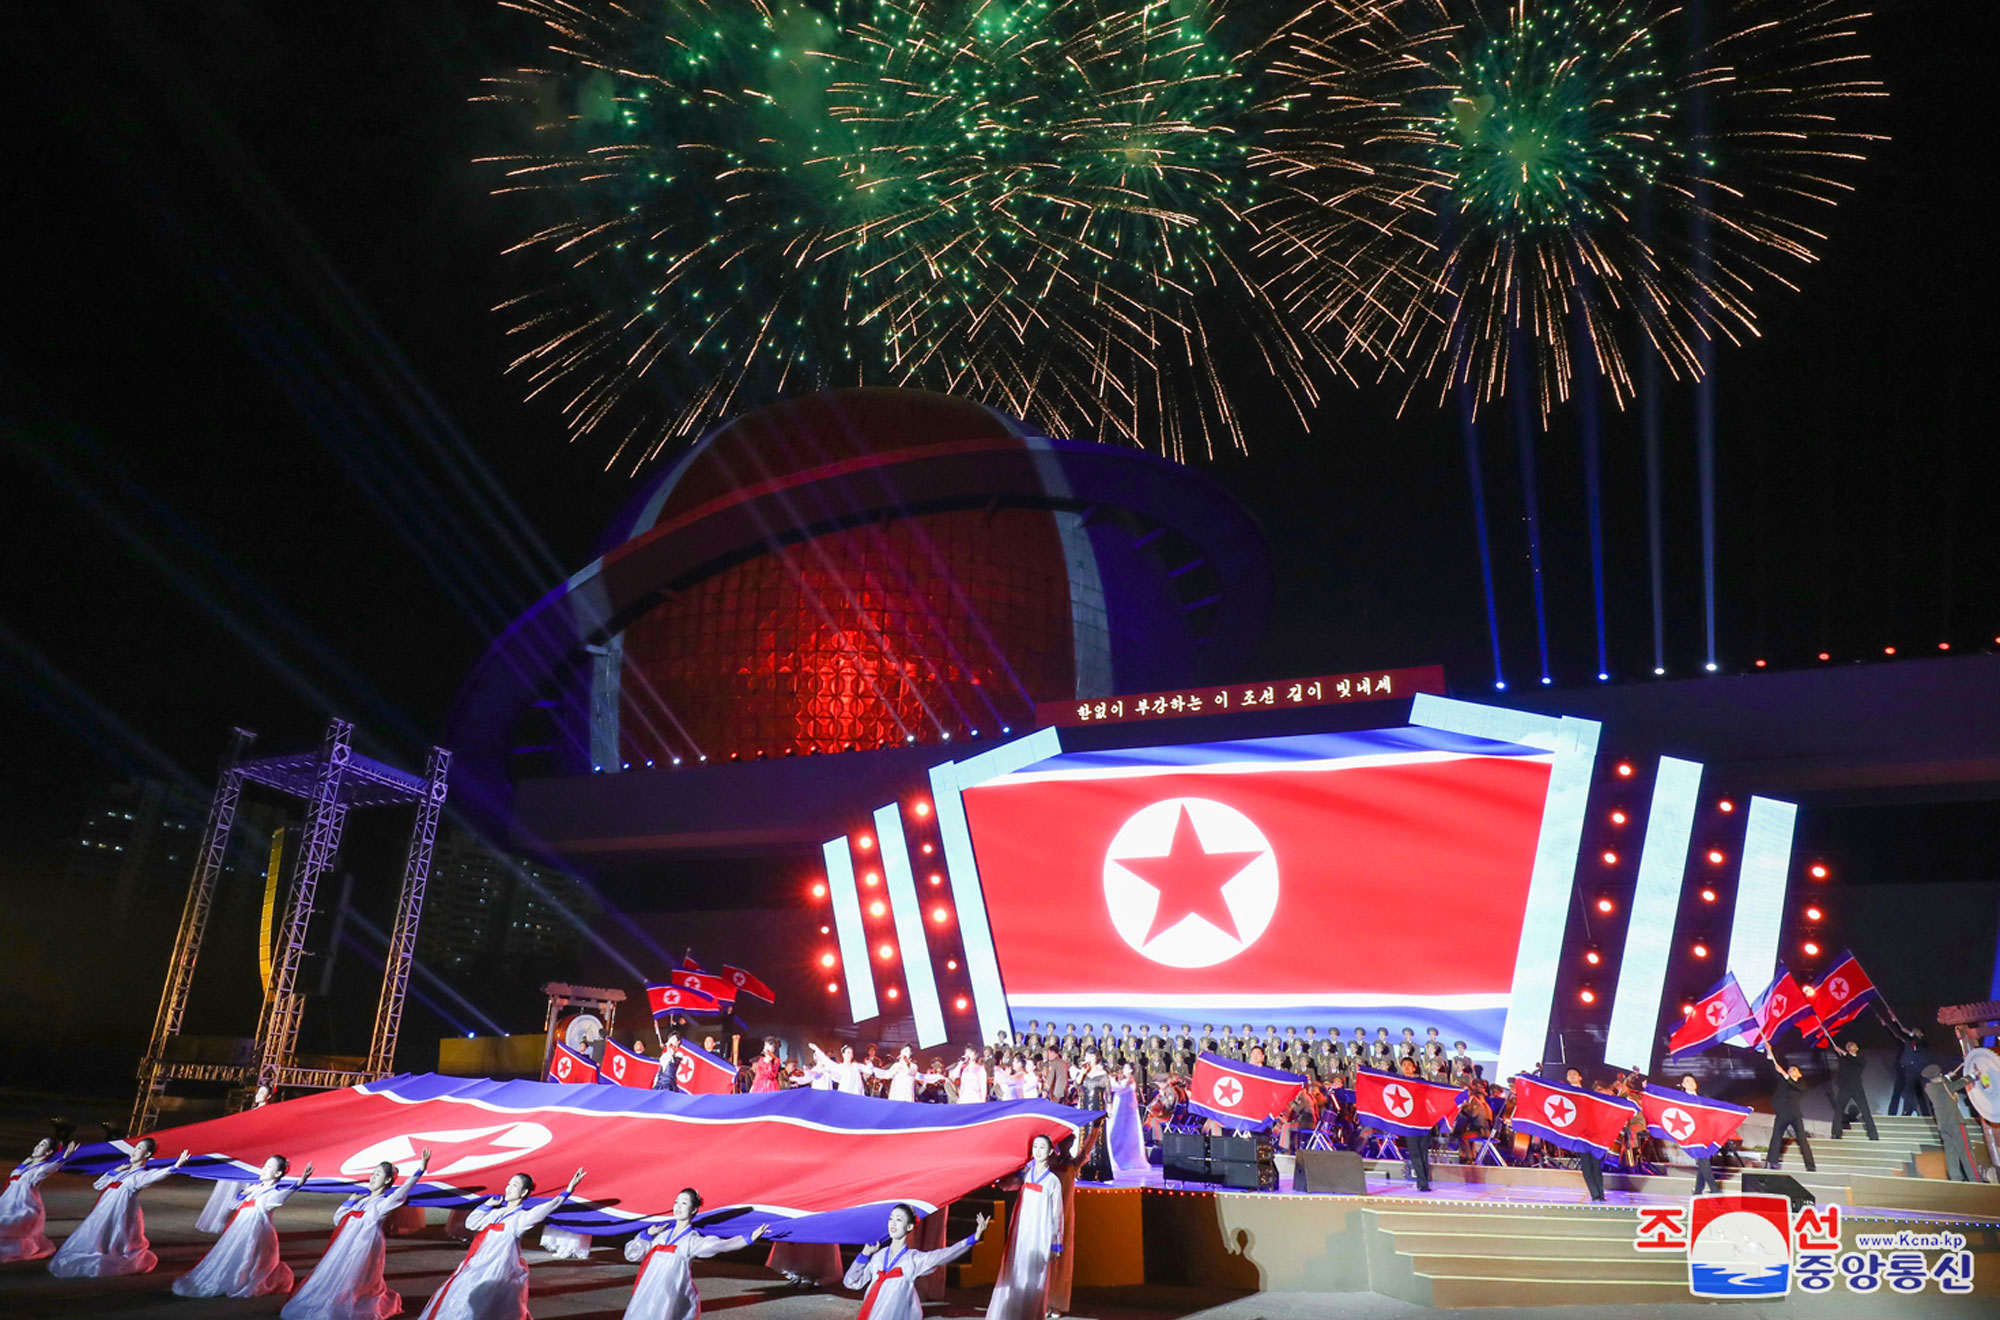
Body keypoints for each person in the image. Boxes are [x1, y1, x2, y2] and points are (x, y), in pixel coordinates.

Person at [416, 1167, 585, 1320]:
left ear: (524, 1192)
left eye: (515, 1185)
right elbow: (471, 1223)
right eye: (509, 1184)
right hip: (477, 1265)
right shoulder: (496, 1213)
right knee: (461, 1300)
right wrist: (487, 1205)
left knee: (488, 1308)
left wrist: (568, 1191)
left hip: (498, 1271)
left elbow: (548, 1207)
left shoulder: (521, 1219)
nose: (509, 1188)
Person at [283, 1148, 431, 1320]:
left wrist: (420, 1170)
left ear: (388, 1180)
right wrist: (349, 1201)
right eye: (373, 1173)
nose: (373, 1177)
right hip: (344, 1245)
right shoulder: (360, 1201)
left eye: (378, 1174)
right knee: (335, 1274)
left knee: (353, 1279)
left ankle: (344, 1304)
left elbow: (401, 1192)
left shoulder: (382, 1204)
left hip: (363, 1246)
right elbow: (339, 1220)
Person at [174, 1154, 315, 1298]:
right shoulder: (255, 1188)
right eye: (265, 1165)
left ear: (278, 1173)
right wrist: (246, 1192)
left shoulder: (273, 1192)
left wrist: (300, 1182)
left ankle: (242, 1281)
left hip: (256, 1231)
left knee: (249, 1258)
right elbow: (234, 1204)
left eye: (269, 1167)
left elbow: (283, 1195)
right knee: (232, 1255)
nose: (264, 1169)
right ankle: (233, 1278)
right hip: (240, 1228)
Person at [49, 1137, 190, 1276]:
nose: (134, 1151)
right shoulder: (122, 1172)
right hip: (104, 1209)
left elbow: (153, 1176)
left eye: (139, 1148)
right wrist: (116, 1170)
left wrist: (174, 1167)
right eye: (135, 1148)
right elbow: (98, 1185)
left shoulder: (139, 1176)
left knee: (115, 1235)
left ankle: (111, 1256)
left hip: (120, 1210)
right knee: (99, 1234)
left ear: (147, 1154)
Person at [622, 1187, 767, 1319]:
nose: (678, 1207)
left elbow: (720, 1245)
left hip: (668, 1300)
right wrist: (647, 1234)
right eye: (676, 1202)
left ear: (693, 1210)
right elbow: (632, 1255)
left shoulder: (691, 1241)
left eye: (684, 1203)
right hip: (645, 1296)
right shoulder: (661, 1236)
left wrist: (748, 1238)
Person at [986, 1134, 1083, 1320]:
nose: (1038, 1151)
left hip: (1042, 1231)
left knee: (1036, 1274)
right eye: (1035, 1147)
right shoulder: (1025, 1175)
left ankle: (1031, 1313)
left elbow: (1057, 1215)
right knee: (1018, 1268)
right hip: (1022, 1230)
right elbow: (1004, 1186)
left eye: (1042, 1148)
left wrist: (1056, 1244)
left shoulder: (1052, 1181)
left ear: (1048, 1152)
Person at [845, 1204, 987, 1320]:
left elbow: (943, 1255)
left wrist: (973, 1239)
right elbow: (851, 1282)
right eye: (891, 1219)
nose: (893, 1223)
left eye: (899, 1220)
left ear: (909, 1227)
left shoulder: (912, 1260)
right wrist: (864, 1255)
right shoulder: (878, 1257)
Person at [0, 1138, 77, 1262]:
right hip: (7, 1202)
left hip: (22, 1205)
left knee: (7, 1226)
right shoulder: (26, 1164)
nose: (37, 1146)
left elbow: (50, 1169)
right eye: (38, 1143)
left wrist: (64, 1157)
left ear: (48, 1152)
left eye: (42, 1145)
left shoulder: (40, 1169)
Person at [1922, 1064, 1981, 1181]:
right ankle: (1975, 1179)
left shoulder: (1929, 1088)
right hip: (1955, 1123)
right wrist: (1973, 1076)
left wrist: (1948, 1077)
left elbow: (1943, 1083)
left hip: (1943, 1126)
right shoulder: (1944, 1088)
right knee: (1966, 1153)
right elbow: (1958, 1084)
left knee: (1951, 1154)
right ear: (1939, 1075)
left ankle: (1956, 1179)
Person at [1763, 1047, 1816, 1172]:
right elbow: (1773, 1069)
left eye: (1794, 1069)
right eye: (1789, 1069)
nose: (1790, 1070)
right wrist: (1769, 1053)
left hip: (1795, 1115)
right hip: (1782, 1113)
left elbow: (1794, 1084)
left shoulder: (1801, 1084)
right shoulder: (1783, 1080)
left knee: (1802, 1140)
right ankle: (1772, 1162)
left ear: (1799, 1074)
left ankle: (1810, 1165)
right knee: (1776, 1137)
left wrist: (1785, 1074)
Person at [1672, 1077, 1721, 1195]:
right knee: (1703, 1158)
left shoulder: (1704, 1097)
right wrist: (1647, 1088)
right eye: (1688, 1081)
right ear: (1683, 1084)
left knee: (1703, 1159)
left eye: (1693, 1081)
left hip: (1705, 1132)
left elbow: (1716, 1109)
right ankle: (1714, 1189)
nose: (1691, 1083)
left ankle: (1698, 1190)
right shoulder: (1680, 1098)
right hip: (1692, 1134)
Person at [1395, 1058, 1437, 1192]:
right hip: (1409, 1124)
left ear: (1414, 1068)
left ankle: (1424, 1182)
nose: (1406, 1067)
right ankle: (1422, 1182)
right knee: (1415, 1153)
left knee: (1423, 1153)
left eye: (1409, 1065)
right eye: (1404, 1065)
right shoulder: (1398, 1083)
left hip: (1424, 1122)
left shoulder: (1421, 1082)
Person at [1825, 1039, 1880, 1140]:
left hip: (1857, 1088)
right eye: (1848, 1045)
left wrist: (1843, 1052)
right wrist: (1836, 1048)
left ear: (1857, 1048)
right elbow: (1840, 1054)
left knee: (1865, 1111)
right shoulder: (1844, 1058)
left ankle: (1873, 1135)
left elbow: (1854, 1060)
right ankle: (1836, 1133)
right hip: (1845, 1088)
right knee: (1838, 1110)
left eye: (1852, 1045)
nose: (1850, 1045)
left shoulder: (1860, 1060)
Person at [1104, 1064, 1147, 1179]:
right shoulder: (1125, 1079)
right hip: (1121, 1107)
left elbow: (1119, 1088)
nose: (1123, 1069)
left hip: (1124, 1109)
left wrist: (1109, 1079)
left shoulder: (1129, 1079)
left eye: (1125, 1068)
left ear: (1130, 1070)